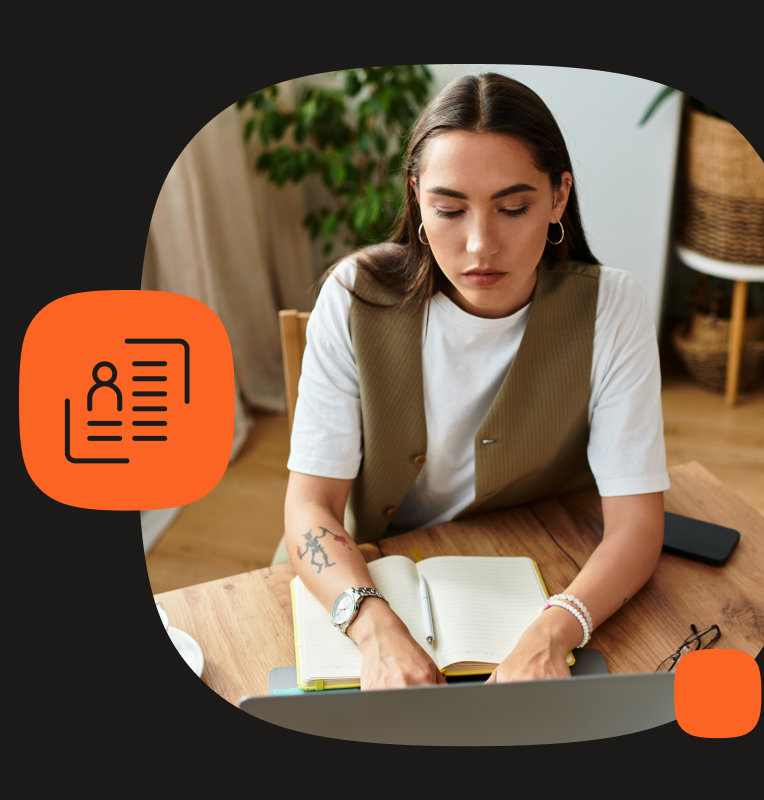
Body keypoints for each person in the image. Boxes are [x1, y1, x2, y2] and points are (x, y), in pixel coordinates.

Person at [281, 72, 668, 689]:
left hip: (534, 567)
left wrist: (554, 632)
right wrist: (376, 631)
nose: (481, 244)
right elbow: (310, 506)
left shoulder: (610, 307)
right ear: (416, 197)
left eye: (514, 208)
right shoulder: (355, 297)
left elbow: (638, 524)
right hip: (360, 575)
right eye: (449, 209)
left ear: (559, 196)